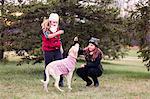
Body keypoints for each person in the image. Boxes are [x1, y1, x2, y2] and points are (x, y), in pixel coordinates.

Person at [41, 13, 64, 87]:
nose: (54, 24)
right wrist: (58, 33)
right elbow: (48, 36)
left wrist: (61, 47)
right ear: (50, 21)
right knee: (48, 65)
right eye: (53, 22)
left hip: (57, 49)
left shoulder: (56, 29)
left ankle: (60, 81)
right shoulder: (45, 29)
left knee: (60, 65)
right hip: (48, 50)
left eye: (56, 22)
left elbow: (58, 39)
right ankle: (46, 81)